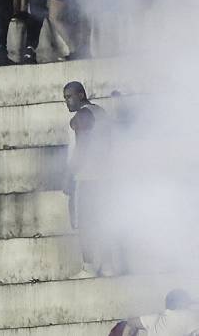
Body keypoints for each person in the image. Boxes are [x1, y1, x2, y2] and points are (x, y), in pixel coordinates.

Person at [63, 81, 115, 278]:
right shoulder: (100, 111)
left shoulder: (83, 115)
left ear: (81, 94)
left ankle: (88, 266)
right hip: (105, 175)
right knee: (104, 220)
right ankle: (108, 265)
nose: (67, 102)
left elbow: (82, 148)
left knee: (85, 223)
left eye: (69, 96)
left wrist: (70, 174)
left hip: (87, 177)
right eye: (65, 98)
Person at [116, 288, 199, 335]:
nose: (189, 307)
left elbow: (130, 322)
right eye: (187, 304)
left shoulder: (154, 319)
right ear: (180, 304)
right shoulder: (190, 316)